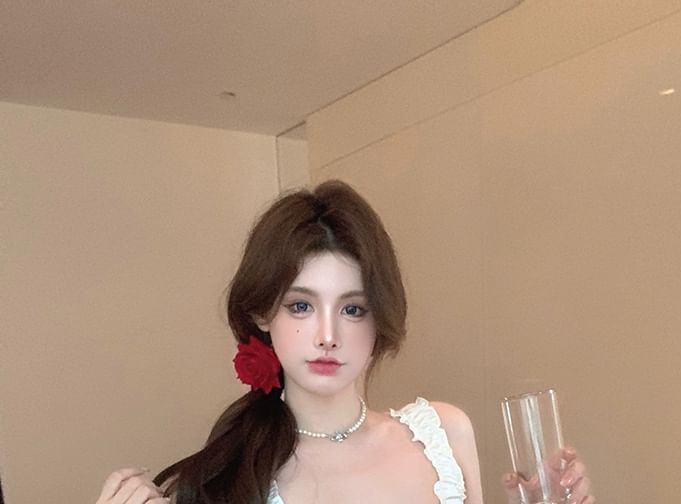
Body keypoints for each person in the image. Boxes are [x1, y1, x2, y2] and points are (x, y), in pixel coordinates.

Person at [95, 180, 594, 504]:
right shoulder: (225, 482)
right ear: (262, 312)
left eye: (353, 309)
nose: (328, 336)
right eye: (301, 306)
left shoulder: (444, 434)